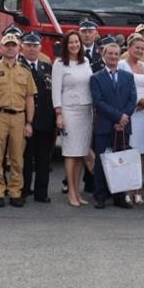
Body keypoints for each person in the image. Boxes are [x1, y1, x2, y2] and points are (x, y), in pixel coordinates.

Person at [0, 34, 36, 208]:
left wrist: (29, 122)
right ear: (1, 48)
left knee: (17, 158)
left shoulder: (25, 71)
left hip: (19, 117)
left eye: (13, 45)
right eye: (7, 45)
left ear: (18, 48)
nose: (11, 48)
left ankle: (15, 191)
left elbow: (29, 99)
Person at [88, 39, 137, 209]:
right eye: (110, 54)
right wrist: (118, 117)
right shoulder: (95, 78)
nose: (113, 57)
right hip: (104, 126)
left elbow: (133, 100)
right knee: (102, 162)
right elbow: (98, 102)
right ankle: (100, 195)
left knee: (120, 162)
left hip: (123, 127)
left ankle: (119, 197)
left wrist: (124, 118)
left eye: (116, 54)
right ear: (104, 56)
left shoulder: (128, 77)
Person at [52, 29, 95, 207]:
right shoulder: (59, 63)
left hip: (86, 111)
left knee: (80, 154)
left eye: (77, 42)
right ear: (65, 45)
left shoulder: (85, 61)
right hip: (69, 111)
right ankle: (71, 192)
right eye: (71, 42)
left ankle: (78, 191)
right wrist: (59, 114)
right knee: (70, 153)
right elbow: (56, 91)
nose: (74, 45)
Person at [19, 33, 55, 204]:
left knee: (43, 159)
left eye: (35, 45)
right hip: (24, 120)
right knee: (24, 158)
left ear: (40, 48)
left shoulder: (48, 68)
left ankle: (41, 192)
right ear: (22, 47)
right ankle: (24, 189)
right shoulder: (17, 66)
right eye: (28, 45)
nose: (32, 49)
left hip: (45, 120)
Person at [122, 36, 144, 205]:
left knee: (141, 154)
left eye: (143, 48)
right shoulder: (121, 65)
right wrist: (135, 102)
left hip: (143, 117)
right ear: (129, 47)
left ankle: (138, 191)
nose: (140, 51)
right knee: (127, 152)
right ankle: (126, 191)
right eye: (137, 48)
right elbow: (119, 89)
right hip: (129, 114)